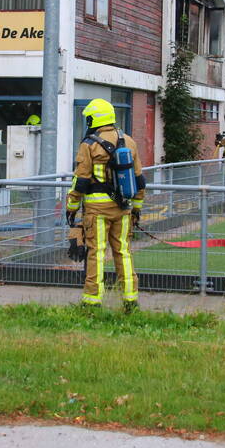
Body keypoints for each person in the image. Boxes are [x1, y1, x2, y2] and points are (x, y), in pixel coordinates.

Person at [65, 98, 146, 313]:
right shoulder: (129, 141)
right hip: (124, 209)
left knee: (97, 253)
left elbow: (80, 181)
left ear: (95, 118)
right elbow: (139, 181)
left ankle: (92, 301)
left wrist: (71, 208)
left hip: (97, 211)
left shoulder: (89, 144)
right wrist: (136, 208)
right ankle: (130, 300)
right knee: (124, 252)